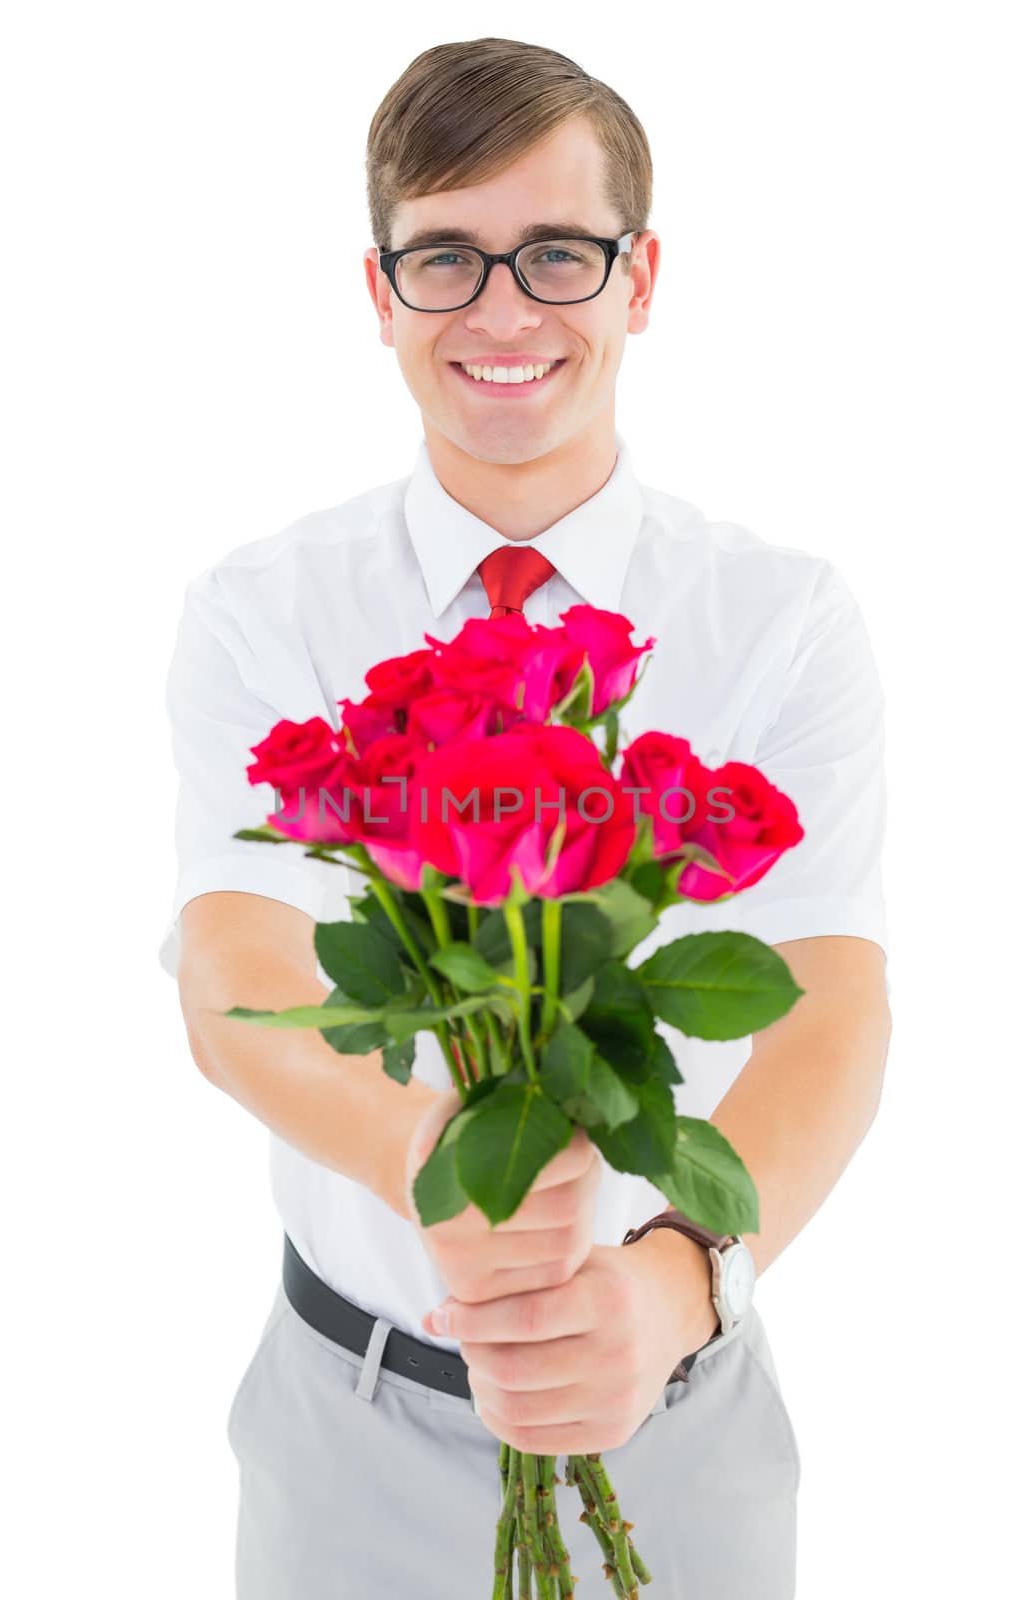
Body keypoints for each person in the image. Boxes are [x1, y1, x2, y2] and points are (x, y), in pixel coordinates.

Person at [160, 36, 892, 1600]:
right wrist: (439, 1150)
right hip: (346, 1430)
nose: (502, 311)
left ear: (640, 280)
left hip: (680, 1421)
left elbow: (829, 1012)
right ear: (380, 294)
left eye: (556, 252)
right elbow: (232, 971)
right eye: (446, 257)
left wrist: (676, 1288)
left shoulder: (781, 619)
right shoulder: (261, 612)